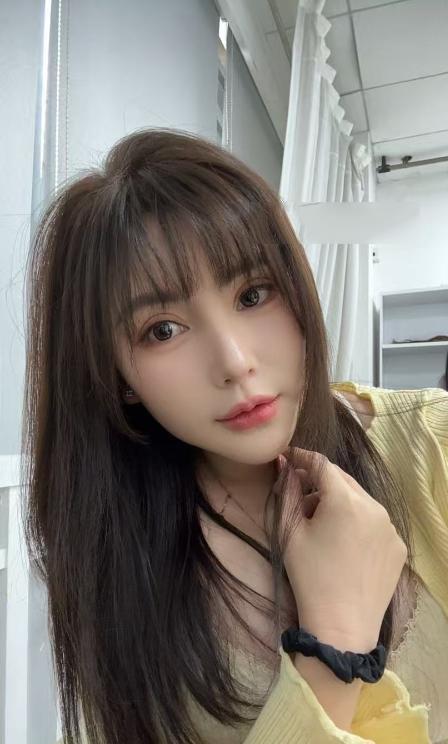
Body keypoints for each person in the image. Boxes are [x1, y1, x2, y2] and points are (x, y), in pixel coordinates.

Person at [21, 128, 447, 744]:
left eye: (253, 294)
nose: (235, 362)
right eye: (162, 330)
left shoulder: (428, 440)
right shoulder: (117, 562)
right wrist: (335, 639)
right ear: (117, 379)